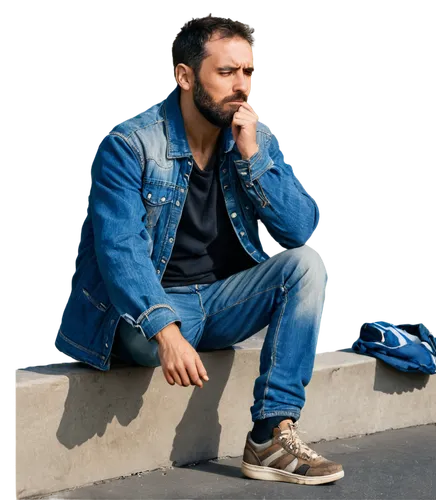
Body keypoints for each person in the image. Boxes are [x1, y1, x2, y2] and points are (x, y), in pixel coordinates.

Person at [53, 13, 343, 486]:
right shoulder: (130, 144)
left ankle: (271, 434)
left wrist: (254, 158)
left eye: (248, 72)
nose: (241, 86)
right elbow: (119, 251)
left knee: (308, 264)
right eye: (226, 72)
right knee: (148, 312)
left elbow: (299, 229)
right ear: (185, 77)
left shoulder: (251, 135)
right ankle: (171, 331)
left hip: (219, 303)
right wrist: (165, 331)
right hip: (144, 316)